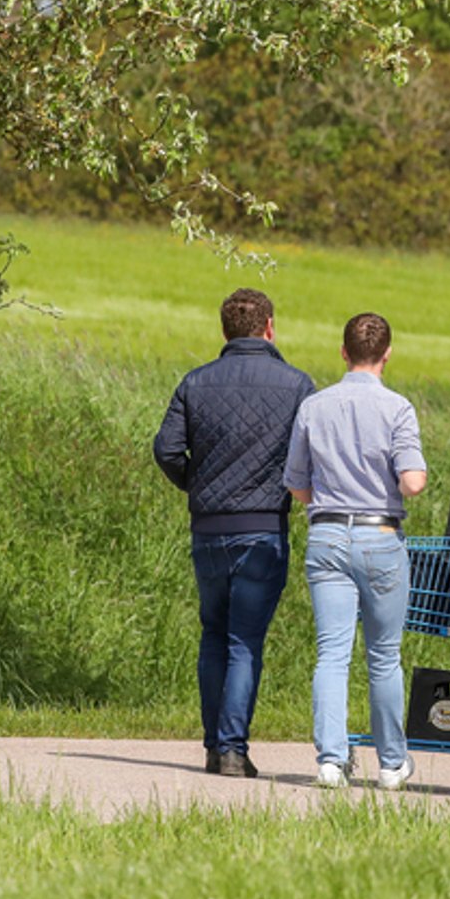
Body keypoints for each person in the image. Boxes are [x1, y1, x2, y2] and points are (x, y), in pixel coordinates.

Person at [153, 288, 314, 778]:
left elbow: (165, 449)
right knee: (245, 641)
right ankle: (231, 750)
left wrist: (196, 485)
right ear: (270, 328)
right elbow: (310, 456)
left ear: (224, 331)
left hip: (208, 528)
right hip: (264, 528)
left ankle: (212, 745)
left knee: (213, 634)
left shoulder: (195, 382)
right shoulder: (297, 385)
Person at [283, 312, 428, 791]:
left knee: (332, 653)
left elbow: (297, 485)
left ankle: (331, 760)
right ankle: (391, 764)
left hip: (326, 534)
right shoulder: (398, 408)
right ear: (388, 354)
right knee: (384, 656)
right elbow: (412, 483)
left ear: (343, 352)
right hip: (379, 536)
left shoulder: (314, 406)